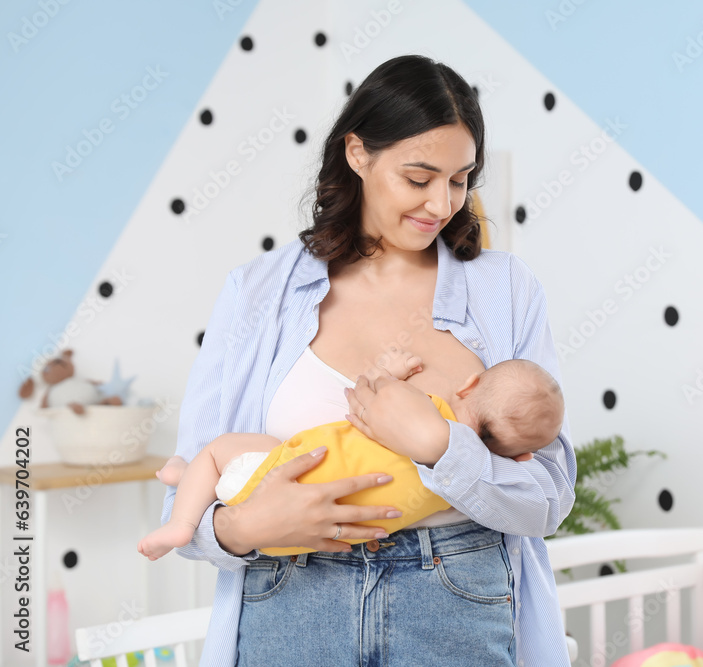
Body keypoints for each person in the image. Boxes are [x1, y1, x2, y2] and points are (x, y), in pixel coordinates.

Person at [160, 54, 576, 667]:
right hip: (290, 594)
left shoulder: (505, 291)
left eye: (461, 179)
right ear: (357, 154)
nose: (441, 204)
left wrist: (440, 446)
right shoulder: (256, 294)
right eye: (418, 177)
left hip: (456, 592)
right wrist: (246, 529)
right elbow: (184, 504)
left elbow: (548, 497)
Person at [140, 350, 564, 559]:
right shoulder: (460, 483)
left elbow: (369, 390)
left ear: (468, 385)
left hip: (274, 496)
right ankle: (191, 477)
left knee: (216, 453)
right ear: (521, 458)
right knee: (235, 464)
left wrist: (391, 371)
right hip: (310, 544)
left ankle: (182, 517)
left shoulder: (428, 409)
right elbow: (537, 502)